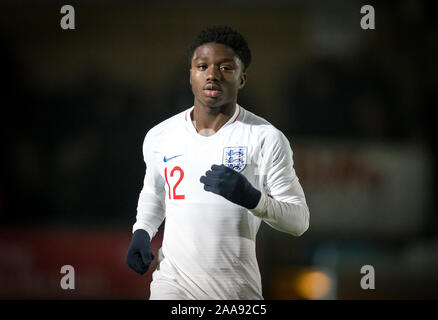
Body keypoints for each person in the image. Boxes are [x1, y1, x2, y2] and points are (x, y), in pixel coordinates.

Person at [126, 25, 310, 300]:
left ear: (242, 79)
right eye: (202, 66)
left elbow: (299, 221)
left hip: (235, 293)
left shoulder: (265, 138)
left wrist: (253, 199)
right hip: (172, 285)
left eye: (225, 68)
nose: (212, 75)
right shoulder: (160, 135)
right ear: (190, 75)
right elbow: (155, 192)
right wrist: (141, 231)